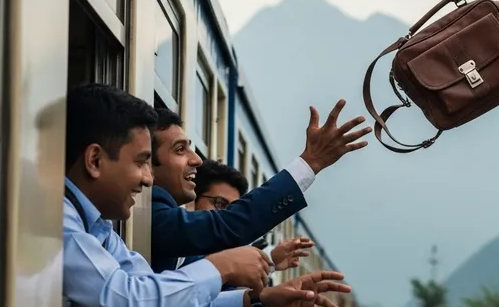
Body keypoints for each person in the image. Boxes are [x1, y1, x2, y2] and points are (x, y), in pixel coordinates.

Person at [62, 83, 350, 307]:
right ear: (95, 160)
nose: (147, 179)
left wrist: (259, 304)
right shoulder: (62, 227)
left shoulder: (100, 230)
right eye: (141, 163)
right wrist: (223, 266)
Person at [150, 100, 369, 271]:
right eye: (180, 150)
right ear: (146, 163)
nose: (197, 160)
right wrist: (310, 163)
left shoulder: (163, 220)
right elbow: (231, 226)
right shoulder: (152, 212)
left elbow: (197, 279)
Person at [168, 160, 314, 282]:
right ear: (191, 202)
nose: (228, 216)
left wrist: (270, 260)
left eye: (232, 209)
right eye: (220, 204)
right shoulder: (174, 242)